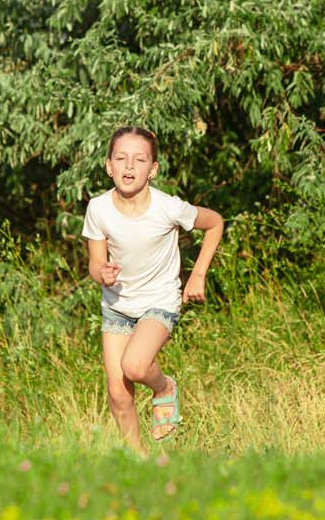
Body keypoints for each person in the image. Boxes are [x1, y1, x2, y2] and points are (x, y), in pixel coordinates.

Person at [83, 127, 224, 456]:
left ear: (153, 169)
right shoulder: (99, 208)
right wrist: (101, 273)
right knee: (118, 392)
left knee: (135, 366)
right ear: (108, 166)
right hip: (117, 306)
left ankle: (164, 387)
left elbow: (215, 222)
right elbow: (94, 263)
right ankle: (139, 461)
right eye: (121, 158)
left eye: (139, 159)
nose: (129, 166)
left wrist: (198, 275)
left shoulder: (168, 207)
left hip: (159, 302)